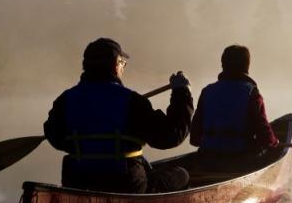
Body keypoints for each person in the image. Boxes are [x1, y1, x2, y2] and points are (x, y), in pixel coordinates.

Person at [44, 38, 192, 193]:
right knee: (182, 175)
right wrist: (182, 93)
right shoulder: (132, 101)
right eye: (123, 64)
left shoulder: (65, 100)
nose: (123, 68)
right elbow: (170, 136)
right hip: (127, 186)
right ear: (116, 64)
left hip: (78, 183)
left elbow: (55, 137)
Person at [190, 45, 278, 164]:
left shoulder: (207, 91)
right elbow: (264, 135)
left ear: (223, 65)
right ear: (247, 67)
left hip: (207, 157)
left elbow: (194, 139)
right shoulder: (252, 93)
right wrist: (274, 142)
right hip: (240, 158)